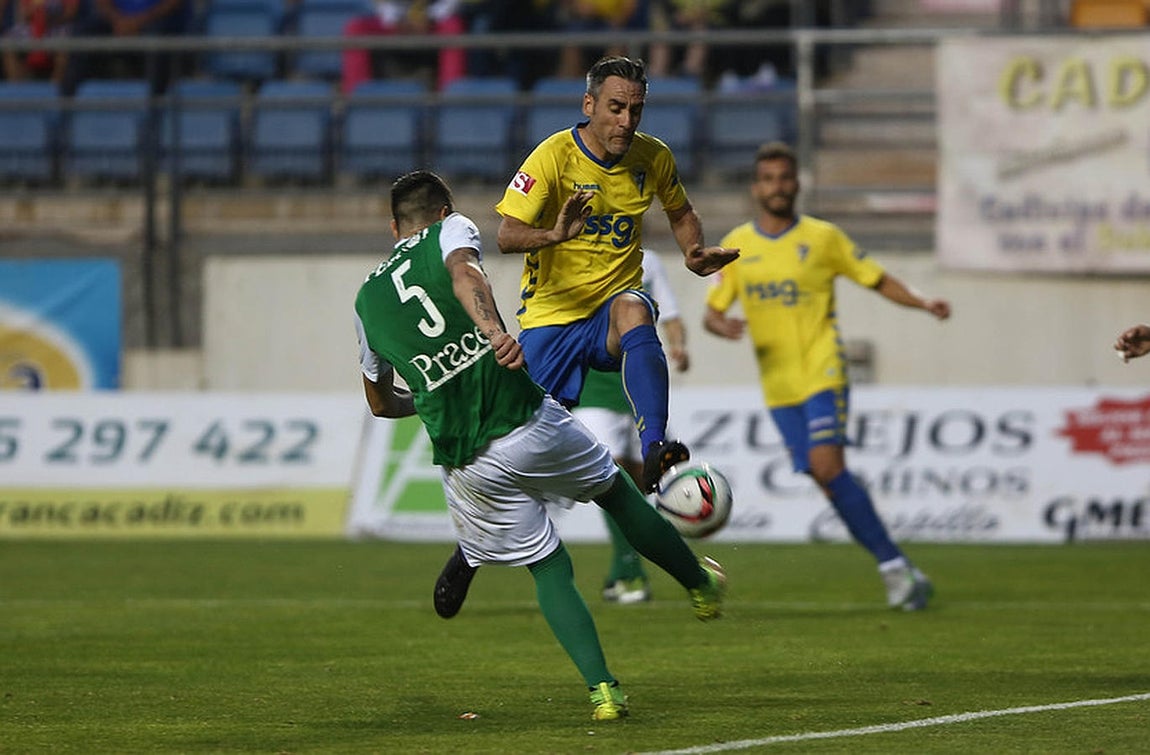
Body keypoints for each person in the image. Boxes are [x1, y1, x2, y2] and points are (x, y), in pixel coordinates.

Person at [354, 169, 726, 721]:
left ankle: (603, 692)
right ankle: (699, 586)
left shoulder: (366, 301)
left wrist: (429, 396)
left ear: (392, 228)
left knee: (549, 567)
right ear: (442, 212)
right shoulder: (450, 231)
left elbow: (381, 403)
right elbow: (464, 275)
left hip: (464, 461)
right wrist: (493, 333)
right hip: (524, 419)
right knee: (617, 494)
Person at [703, 141, 950, 611]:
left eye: (785, 177)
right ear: (757, 188)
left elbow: (876, 278)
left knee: (827, 466)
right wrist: (721, 325)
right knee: (827, 478)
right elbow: (713, 312)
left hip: (823, 368)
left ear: (797, 183)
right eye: (769, 179)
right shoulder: (738, 245)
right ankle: (898, 567)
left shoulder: (823, 238)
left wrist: (923, 302)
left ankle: (896, 570)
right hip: (778, 385)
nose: (778, 186)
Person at [494, 54, 738, 494]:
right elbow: (507, 235)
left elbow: (681, 211)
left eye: (636, 109)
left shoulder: (653, 156)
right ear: (589, 105)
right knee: (508, 461)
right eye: (616, 108)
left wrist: (693, 251)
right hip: (551, 316)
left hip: (609, 313)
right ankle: (469, 556)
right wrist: (554, 233)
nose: (627, 120)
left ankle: (655, 448)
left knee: (634, 308)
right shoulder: (553, 156)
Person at [572, 249, 688, 604]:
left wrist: (679, 345)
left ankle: (622, 573)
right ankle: (632, 574)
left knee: (642, 486)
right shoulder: (570, 253)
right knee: (611, 478)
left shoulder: (648, 261)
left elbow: (668, 310)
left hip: (638, 387)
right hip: (593, 388)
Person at [59, 0, 189, 96]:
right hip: (117, 21)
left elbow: (174, 3)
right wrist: (117, 20)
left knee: (158, 41)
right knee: (83, 34)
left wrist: (137, 22)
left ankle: (155, 110)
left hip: (155, 22)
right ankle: (64, 107)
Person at [340, 0, 466, 95]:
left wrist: (430, 18)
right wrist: (395, 20)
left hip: (433, 20)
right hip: (393, 22)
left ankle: (450, 98)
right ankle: (357, 98)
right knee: (356, 27)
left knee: (452, 26)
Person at [0, 0, 80, 84]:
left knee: (66, 44)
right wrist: (37, 11)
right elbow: (24, 13)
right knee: (7, 42)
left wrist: (51, 16)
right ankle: (17, 88)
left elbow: (71, 13)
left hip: (58, 25)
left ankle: (55, 88)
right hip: (32, 27)